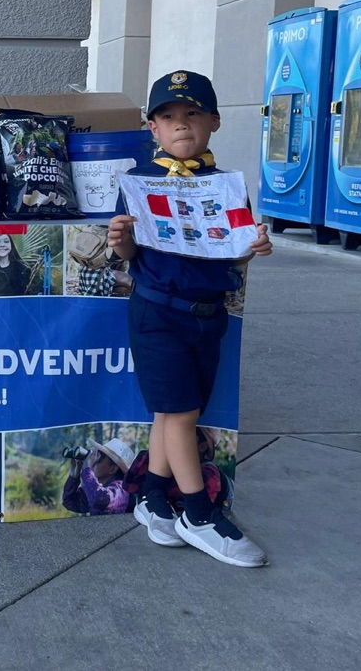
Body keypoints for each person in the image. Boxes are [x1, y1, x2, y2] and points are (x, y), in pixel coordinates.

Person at [108, 70, 271, 567]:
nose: (181, 125)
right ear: (152, 128)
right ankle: (198, 514)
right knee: (178, 412)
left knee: (177, 412)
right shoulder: (137, 184)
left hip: (209, 314)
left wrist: (256, 246)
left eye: (192, 114)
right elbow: (131, 252)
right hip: (158, 312)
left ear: (214, 122)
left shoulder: (227, 187)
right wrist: (120, 240)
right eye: (168, 117)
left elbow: (235, 252)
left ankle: (154, 497)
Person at [61, 437, 136, 516]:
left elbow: (99, 500)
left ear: (113, 469)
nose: (94, 461)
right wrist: (74, 476)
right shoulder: (99, 488)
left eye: (99, 457)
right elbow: (70, 502)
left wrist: (88, 467)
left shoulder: (121, 490)